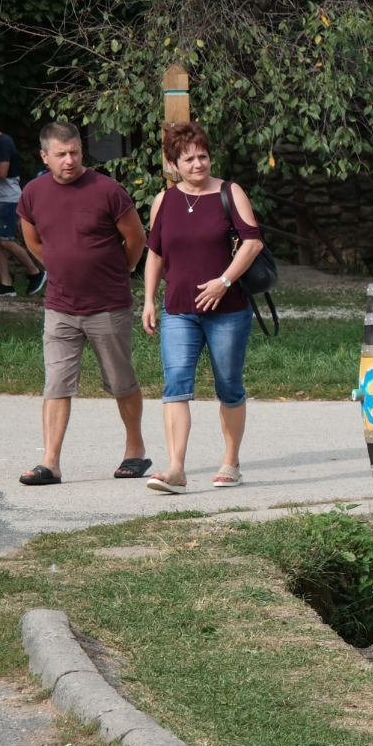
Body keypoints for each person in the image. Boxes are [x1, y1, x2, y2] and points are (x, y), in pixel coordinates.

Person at [15, 121, 150, 485]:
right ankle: (50, 462)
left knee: (120, 381)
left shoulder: (107, 190)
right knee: (56, 384)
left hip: (108, 304)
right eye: (61, 154)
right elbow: (32, 238)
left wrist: (125, 268)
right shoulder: (33, 192)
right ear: (45, 156)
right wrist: (58, 265)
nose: (69, 160)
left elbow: (135, 237)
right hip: (60, 306)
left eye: (74, 152)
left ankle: (135, 450)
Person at [139, 121, 263, 494]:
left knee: (228, 385)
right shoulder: (165, 200)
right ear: (173, 163)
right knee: (175, 385)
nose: (198, 164)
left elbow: (252, 242)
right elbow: (155, 253)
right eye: (189, 159)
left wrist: (223, 281)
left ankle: (231, 461)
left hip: (228, 310)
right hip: (178, 309)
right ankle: (175, 468)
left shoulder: (230, 191)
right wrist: (147, 300)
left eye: (203, 156)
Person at [0, 110, 46, 297]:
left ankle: (36, 272)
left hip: (8, 199)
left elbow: (2, 172)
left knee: (6, 241)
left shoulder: (4, 142)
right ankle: (6, 285)